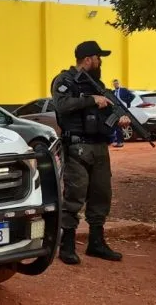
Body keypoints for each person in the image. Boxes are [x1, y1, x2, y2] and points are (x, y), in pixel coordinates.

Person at [50, 40, 131, 266]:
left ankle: (96, 243)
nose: (100, 61)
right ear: (87, 59)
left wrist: (119, 120)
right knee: (75, 195)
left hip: (99, 146)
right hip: (77, 147)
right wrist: (91, 100)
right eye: (98, 57)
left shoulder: (97, 83)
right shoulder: (64, 80)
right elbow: (62, 105)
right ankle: (66, 245)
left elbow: (104, 114)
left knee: (101, 194)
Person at [109, 79, 136, 147]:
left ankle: (120, 142)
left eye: (117, 83)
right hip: (116, 110)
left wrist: (127, 102)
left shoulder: (124, 90)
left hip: (123, 109)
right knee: (117, 125)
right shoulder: (113, 92)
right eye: (114, 84)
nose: (116, 85)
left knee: (120, 125)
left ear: (119, 84)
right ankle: (118, 141)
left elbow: (133, 96)